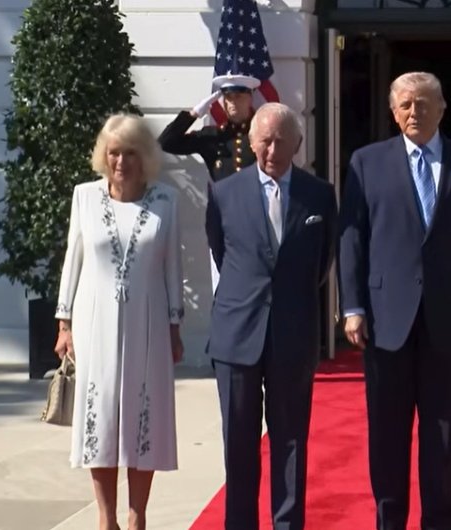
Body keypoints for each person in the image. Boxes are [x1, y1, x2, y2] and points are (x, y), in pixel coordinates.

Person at [338, 71, 451, 530]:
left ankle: (438, 522)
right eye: (406, 104)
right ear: (393, 112)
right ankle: (388, 521)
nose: (415, 112)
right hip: (385, 322)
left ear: (442, 109)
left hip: (449, 323)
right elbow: (352, 239)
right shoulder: (366, 164)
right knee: (387, 437)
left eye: (424, 103)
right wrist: (351, 306)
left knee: (442, 434)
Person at [205, 102, 337, 530]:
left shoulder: (320, 195)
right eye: (264, 140)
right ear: (251, 141)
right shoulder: (224, 193)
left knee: (291, 443)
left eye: (282, 140)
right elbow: (222, 254)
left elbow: (322, 263)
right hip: (237, 335)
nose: (272, 149)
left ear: (298, 143)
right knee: (238, 447)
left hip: (293, 335)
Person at [54, 113, 184, 530]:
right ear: (102, 156)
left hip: (148, 322)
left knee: (143, 417)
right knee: (102, 418)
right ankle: (106, 518)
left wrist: (174, 326)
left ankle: (137, 516)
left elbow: (172, 267)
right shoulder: (84, 197)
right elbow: (72, 260)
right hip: (94, 322)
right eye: (114, 152)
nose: (121, 161)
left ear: (143, 156)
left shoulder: (165, 200)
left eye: (130, 153)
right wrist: (64, 324)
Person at [158, 73, 260, 290]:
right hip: (223, 221)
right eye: (228, 98)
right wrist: (194, 113)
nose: (233, 103)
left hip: (257, 217)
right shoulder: (213, 136)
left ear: (250, 98)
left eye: (239, 97)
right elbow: (166, 143)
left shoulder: (261, 134)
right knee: (224, 285)